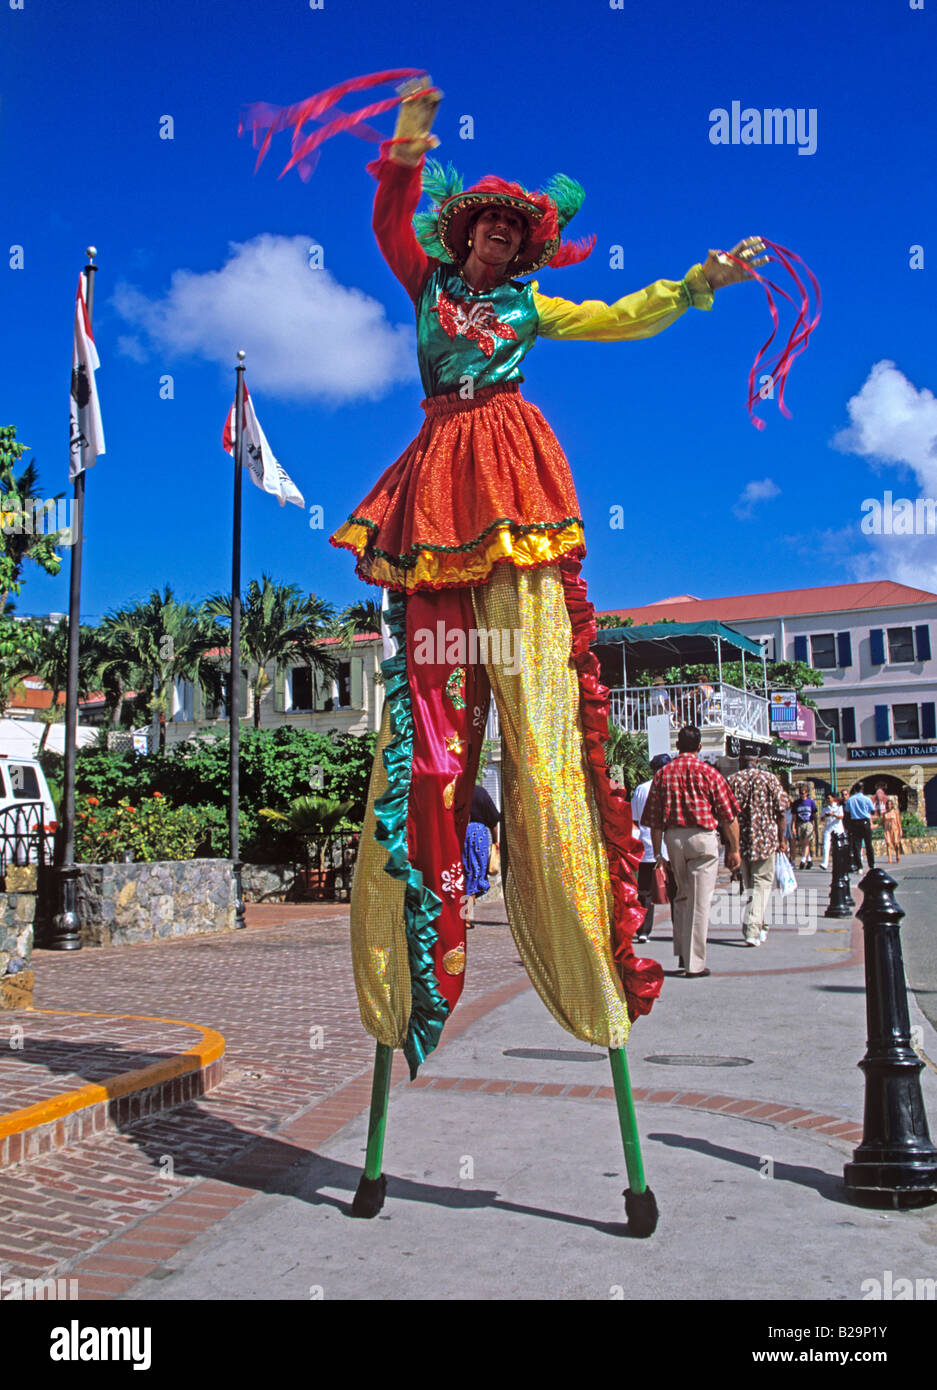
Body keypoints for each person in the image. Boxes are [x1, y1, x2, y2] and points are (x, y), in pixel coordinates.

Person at [327, 78, 769, 1073]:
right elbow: (390, 219)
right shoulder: (425, 287)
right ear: (464, 235)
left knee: (541, 721)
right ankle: (407, 958)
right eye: (480, 228)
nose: (490, 241)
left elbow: (618, 317)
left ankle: (582, 943)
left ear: (523, 246)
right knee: (431, 738)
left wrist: (701, 282)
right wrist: (406, 139)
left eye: (506, 234)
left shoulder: (528, 308)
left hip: (516, 488)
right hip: (440, 489)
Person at [641, 725, 741, 978]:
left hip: (673, 838)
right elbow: (728, 816)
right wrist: (734, 848)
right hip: (702, 837)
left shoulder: (663, 775)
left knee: (682, 897)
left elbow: (653, 819)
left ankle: (684, 953)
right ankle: (694, 963)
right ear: (699, 747)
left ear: (677, 747)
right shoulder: (709, 773)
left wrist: (658, 854)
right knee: (699, 902)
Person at [728, 755, 789, 946]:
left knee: (751, 887)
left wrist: (730, 845)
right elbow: (781, 811)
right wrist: (782, 838)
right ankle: (753, 930)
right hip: (765, 839)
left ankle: (761, 926)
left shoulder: (732, 781)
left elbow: (726, 815)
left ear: (741, 762)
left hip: (741, 841)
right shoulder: (769, 779)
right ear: (757, 761)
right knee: (761, 885)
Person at [631, 754, 673, 943]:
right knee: (676, 890)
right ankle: (679, 928)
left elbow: (635, 819)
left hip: (646, 846)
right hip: (670, 847)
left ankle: (643, 930)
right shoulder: (672, 788)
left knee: (644, 892)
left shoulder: (641, 789)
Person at [461, 782, 500, 926]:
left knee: (465, 874)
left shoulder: (457, 791)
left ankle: (464, 912)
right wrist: (496, 842)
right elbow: (494, 820)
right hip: (479, 835)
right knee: (475, 875)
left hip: (460, 833)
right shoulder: (480, 792)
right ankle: (465, 916)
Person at [845, 786, 878, 870]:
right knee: (868, 844)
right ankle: (871, 864)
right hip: (865, 822)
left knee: (857, 845)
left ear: (855, 790)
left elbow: (847, 812)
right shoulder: (867, 799)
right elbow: (873, 810)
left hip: (855, 823)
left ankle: (859, 866)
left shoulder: (850, 799)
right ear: (862, 790)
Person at [790, 781, 818, 869]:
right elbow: (794, 816)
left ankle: (802, 860)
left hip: (808, 823)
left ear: (806, 793)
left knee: (806, 841)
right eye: (800, 793)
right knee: (803, 843)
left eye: (803, 793)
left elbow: (814, 814)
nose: (802, 795)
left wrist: (815, 825)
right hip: (799, 823)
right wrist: (793, 827)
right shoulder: (796, 803)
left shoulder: (811, 802)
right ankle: (809, 860)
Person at [820, 792, 845, 869]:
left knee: (840, 846)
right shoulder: (825, 808)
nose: (828, 800)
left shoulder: (838, 807)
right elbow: (821, 819)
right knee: (826, 845)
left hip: (837, 828)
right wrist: (825, 815)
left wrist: (833, 814)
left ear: (833, 798)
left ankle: (842, 862)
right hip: (828, 828)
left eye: (829, 798)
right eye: (827, 798)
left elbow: (841, 816)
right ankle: (825, 863)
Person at [882, 795, 903, 864]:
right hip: (887, 830)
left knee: (896, 843)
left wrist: (900, 830)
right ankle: (890, 858)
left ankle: (897, 854)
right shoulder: (884, 813)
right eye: (887, 804)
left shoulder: (895, 812)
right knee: (888, 844)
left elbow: (899, 822)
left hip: (895, 830)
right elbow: (882, 822)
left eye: (890, 804)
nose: (889, 806)